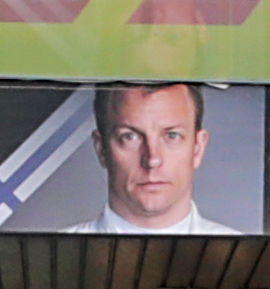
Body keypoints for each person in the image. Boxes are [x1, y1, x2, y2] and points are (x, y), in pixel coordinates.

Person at [93, 77, 227, 233]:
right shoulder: (58, 254)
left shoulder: (244, 256)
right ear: (101, 148)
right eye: (130, 137)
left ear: (198, 148)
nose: (152, 160)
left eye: (172, 136)